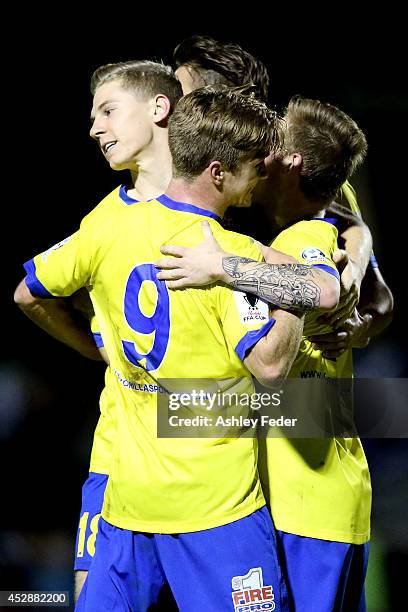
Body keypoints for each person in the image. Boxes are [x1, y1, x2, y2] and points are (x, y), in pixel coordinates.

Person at [15, 84, 319, 610]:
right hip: (215, 506)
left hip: (128, 500)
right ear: (218, 172)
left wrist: (95, 345)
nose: (262, 174)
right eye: (254, 164)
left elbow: (27, 292)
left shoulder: (108, 224)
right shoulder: (225, 252)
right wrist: (288, 293)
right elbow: (269, 368)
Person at [156, 95, 392, 611]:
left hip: (310, 497)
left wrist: (224, 265)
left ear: (293, 162)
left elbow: (326, 290)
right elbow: (366, 269)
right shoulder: (294, 217)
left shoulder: (308, 232)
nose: (266, 139)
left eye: (278, 133)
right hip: (301, 491)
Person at [15, 60, 184, 602]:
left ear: (159, 108)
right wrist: (93, 350)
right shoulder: (103, 224)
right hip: (121, 465)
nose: (94, 127)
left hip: (210, 462)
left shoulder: (219, 207)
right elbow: (27, 294)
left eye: (108, 111)